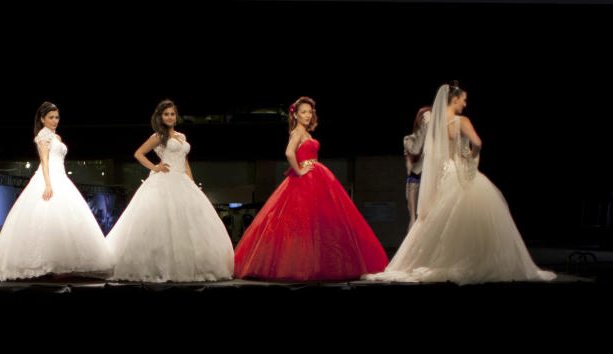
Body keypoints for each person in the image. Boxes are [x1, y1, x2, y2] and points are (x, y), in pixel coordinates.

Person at [364, 83, 555, 284]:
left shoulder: (436, 127)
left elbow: (433, 155)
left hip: (445, 175)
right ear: (454, 100)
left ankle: (438, 260)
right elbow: (478, 142)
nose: (465, 103)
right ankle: (469, 260)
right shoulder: (461, 121)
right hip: (462, 173)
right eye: (463, 99)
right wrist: (471, 156)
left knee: (441, 220)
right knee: (471, 219)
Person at [233, 97, 387, 281]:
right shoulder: (297, 132)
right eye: (303, 112)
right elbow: (289, 152)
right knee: (302, 223)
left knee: (321, 222)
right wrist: (299, 170)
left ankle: (321, 266)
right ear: (295, 115)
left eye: (309, 112)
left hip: (316, 176)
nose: (307, 115)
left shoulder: (305, 132)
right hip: (305, 179)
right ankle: (301, 267)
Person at [107, 100, 233, 282]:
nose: (170, 117)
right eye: (166, 114)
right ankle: (160, 266)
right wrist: (155, 166)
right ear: (160, 117)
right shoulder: (158, 136)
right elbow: (138, 153)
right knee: (164, 223)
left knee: (189, 225)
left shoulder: (181, 136)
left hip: (182, 180)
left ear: (176, 116)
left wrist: (192, 183)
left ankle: (192, 266)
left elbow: (186, 162)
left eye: (172, 114)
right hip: (164, 181)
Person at [0, 102, 112, 279]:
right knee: (48, 218)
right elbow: (44, 160)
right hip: (49, 177)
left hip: (61, 177)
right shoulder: (43, 135)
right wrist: (48, 184)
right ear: (42, 119)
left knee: (66, 220)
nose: (55, 121)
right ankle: (47, 264)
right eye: (51, 117)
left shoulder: (56, 137)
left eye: (57, 117)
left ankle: (62, 264)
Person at [404, 106, 432, 230]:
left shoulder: (436, 138)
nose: (427, 119)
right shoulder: (409, 138)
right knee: (414, 218)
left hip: (431, 178)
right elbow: (415, 150)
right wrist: (425, 128)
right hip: (416, 180)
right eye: (425, 117)